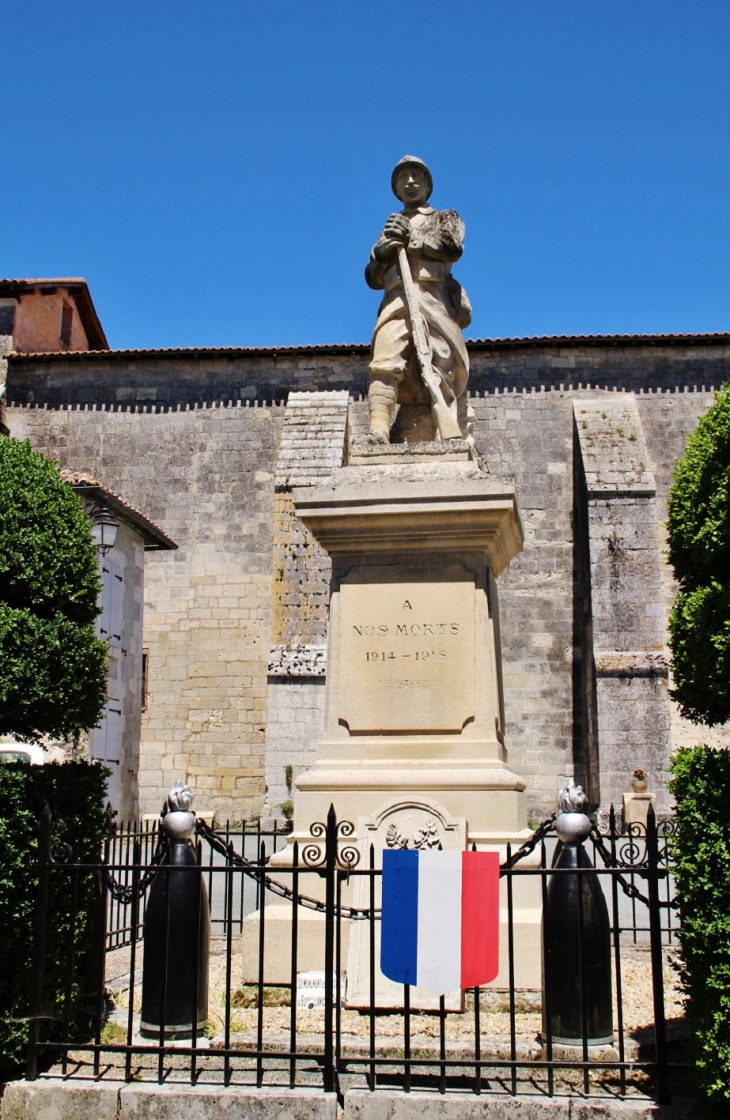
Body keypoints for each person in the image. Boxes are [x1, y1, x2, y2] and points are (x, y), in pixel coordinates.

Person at [365, 155, 472, 443]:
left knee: (441, 365)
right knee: (383, 363)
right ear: (397, 189)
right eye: (403, 178)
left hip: (433, 298)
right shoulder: (390, 227)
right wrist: (382, 253)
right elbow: (372, 277)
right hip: (396, 301)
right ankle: (377, 429)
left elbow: (452, 247)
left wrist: (411, 238)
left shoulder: (444, 217)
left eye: (416, 176)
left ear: (427, 185)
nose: (410, 182)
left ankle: (444, 433)